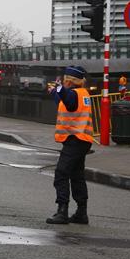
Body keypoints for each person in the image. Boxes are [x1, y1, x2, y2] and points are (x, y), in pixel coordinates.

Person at [46, 65, 94, 225]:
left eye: (66, 79)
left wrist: (59, 89)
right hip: (82, 140)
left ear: (69, 80)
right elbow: (65, 102)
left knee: (61, 173)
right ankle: (81, 212)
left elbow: (67, 99)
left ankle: (62, 211)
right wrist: (55, 92)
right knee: (77, 175)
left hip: (75, 139)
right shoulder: (82, 93)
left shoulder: (73, 94)